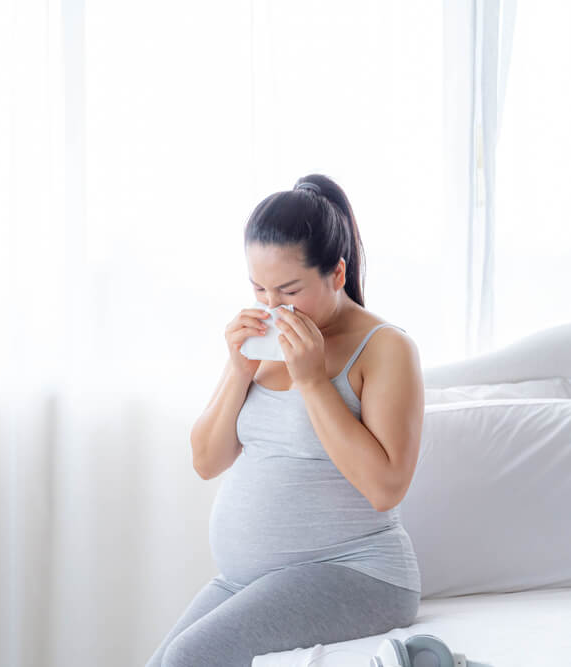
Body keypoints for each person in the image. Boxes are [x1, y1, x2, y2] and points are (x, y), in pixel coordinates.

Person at [146, 174, 423, 667]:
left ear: (337, 273)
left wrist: (314, 382)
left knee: (187, 659)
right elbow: (206, 461)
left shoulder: (386, 349)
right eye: (260, 289)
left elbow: (386, 488)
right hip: (248, 578)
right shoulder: (264, 344)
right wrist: (238, 371)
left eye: (290, 290)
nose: (273, 308)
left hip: (359, 573)